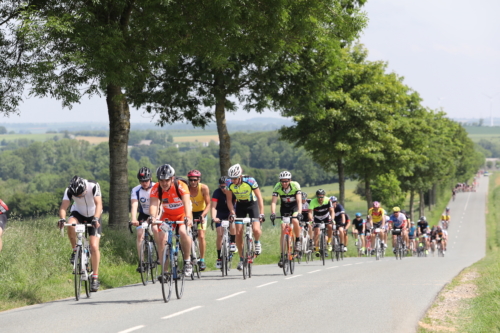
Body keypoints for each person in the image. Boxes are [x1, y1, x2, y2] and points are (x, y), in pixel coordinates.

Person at [58, 176, 103, 292]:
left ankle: (95, 277)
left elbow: (99, 204)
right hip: (78, 213)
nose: (79, 197)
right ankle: (75, 250)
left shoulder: (93, 186)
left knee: (93, 246)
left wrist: (96, 218)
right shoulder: (69, 190)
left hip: (94, 215)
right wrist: (62, 219)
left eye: (81, 195)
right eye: (77, 196)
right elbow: (64, 207)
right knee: (70, 223)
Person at [149, 164, 193, 278]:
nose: (164, 183)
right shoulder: (156, 188)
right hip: (167, 216)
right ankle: (164, 271)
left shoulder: (181, 186)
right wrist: (153, 217)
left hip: (182, 215)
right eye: (161, 180)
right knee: (161, 237)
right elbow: (154, 204)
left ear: (172, 178)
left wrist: (188, 217)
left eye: (167, 180)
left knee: (183, 232)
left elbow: (187, 203)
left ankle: (187, 262)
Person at [225, 163, 265, 271]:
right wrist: (232, 213)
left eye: (235, 178)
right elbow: (229, 200)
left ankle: (257, 242)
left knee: (256, 229)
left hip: (252, 204)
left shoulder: (250, 181)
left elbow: (259, 197)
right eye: (231, 178)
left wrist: (261, 213)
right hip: (240, 206)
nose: (233, 180)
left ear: (240, 176)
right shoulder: (228, 183)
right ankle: (242, 258)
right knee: (238, 233)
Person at [270, 171, 303, 268]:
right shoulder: (277, 187)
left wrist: (300, 213)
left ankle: (297, 240)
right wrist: (273, 213)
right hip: (284, 208)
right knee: (283, 228)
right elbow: (273, 202)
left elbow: (299, 201)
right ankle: (282, 255)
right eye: (282, 181)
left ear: (290, 180)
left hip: (294, 207)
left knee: (295, 220)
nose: (284, 183)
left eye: (286, 181)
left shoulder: (295, 185)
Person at [130, 167, 155, 273]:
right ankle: (141, 262)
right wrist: (134, 219)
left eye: (146, 180)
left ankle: (160, 255)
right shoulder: (135, 190)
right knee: (140, 234)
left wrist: (154, 216)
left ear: (151, 179)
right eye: (141, 181)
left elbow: (160, 204)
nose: (144, 183)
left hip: (157, 213)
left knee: (157, 231)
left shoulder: (156, 187)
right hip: (144, 214)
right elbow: (134, 205)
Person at [187, 170, 211, 271]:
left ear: (199, 180)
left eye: (195, 180)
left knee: (201, 236)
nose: (193, 182)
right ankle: (188, 258)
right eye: (191, 180)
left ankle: (202, 259)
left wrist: (203, 215)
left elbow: (209, 204)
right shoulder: (186, 188)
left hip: (201, 212)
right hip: (189, 213)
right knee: (187, 235)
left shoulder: (204, 188)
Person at [211, 176, 237, 269]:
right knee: (219, 234)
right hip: (220, 214)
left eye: (226, 186)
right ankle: (219, 258)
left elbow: (236, 204)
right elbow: (213, 207)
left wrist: (233, 214)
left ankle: (233, 243)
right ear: (219, 186)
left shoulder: (232, 191)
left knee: (233, 224)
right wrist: (214, 217)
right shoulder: (216, 193)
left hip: (231, 212)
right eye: (222, 187)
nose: (224, 189)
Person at [308, 189, 335, 256]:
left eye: (322, 197)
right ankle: (317, 248)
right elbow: (310, 212)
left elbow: (332, 211)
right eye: (319, 197)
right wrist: (311, 220)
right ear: (317, 196)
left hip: (326, 216)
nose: (320, 198)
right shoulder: (313, 201)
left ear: (324, 196)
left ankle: (329, 242)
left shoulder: (328, 200)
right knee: (316, 231)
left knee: (330, 226)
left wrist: (332, 219)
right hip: (317, 217)